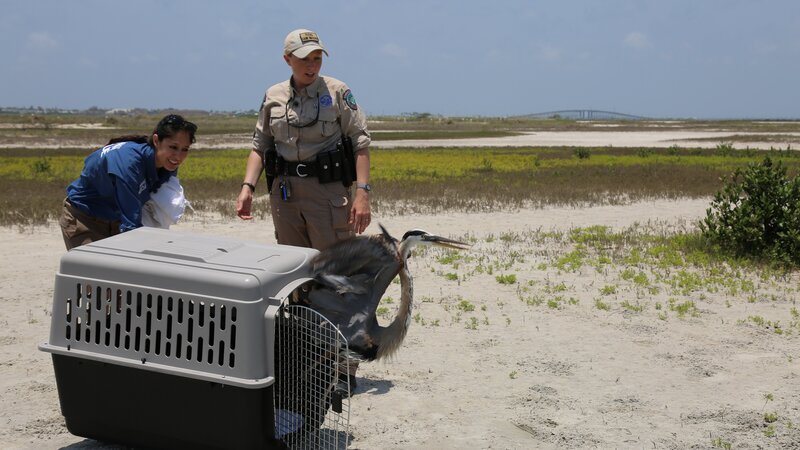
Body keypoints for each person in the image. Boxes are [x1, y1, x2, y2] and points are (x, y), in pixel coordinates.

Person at [236, 28, 372, 397]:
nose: (311, 64)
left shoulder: (338, 92)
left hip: (329, 195)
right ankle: (308, 358)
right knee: (295, 278)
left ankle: (344, 368)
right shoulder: (273, 96)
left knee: (338, 277)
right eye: (304, 58)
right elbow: (259, 145)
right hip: (284, 195)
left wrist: (362, 193)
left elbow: (360, 143)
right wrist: (248, 187)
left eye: (317, 58)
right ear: (287, 60)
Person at [59, 114, 197, 250]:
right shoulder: (129, 165)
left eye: (185, 149)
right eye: (173, 147)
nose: (178, 156)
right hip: (84, 218)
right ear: (156, 140)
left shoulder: (167, 165)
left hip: (115, 218)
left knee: (117, 271)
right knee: (92, 271)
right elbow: (131, 225)